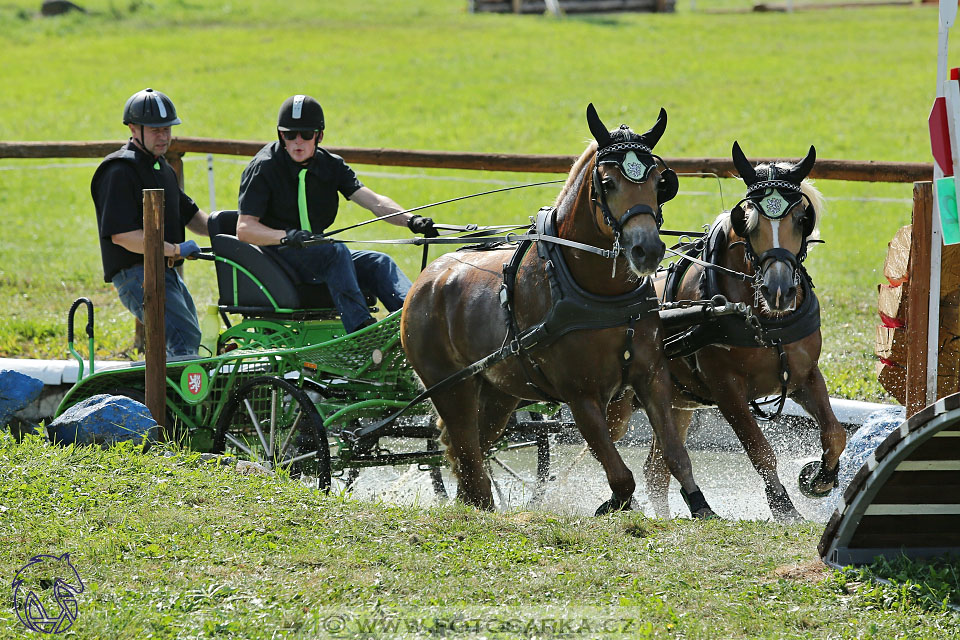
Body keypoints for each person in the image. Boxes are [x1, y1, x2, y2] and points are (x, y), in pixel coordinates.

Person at [236, 94, 436, 333]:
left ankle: (417, 324)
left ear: (319, 135)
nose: (297, 141)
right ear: (281, 135)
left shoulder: (331, 165)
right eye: (290, 135)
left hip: (318, 253)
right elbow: (244, 229)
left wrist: (411, 220)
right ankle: (361, 332)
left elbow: (374, 202)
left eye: (306, 134)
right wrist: (287, 236)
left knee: (378, 262)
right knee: (335, 251)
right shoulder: (264, 167)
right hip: (278, 256)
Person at [91, 88, 210, 357]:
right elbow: (122, 235)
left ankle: (167, 395)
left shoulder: (162, 168)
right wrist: (176, 250)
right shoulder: (119, 171)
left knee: (189, 335)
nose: (163, 136)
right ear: (134, 129)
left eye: (167, 129)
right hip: (135, 274)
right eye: (155, 130)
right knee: (184, 338)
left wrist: (232, 228)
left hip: (163, 271)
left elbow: (191, 216)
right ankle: (172, 399)